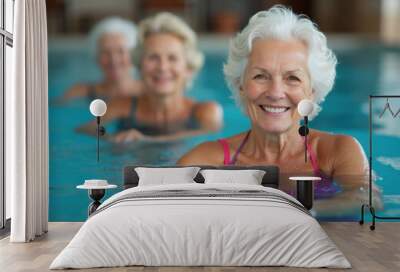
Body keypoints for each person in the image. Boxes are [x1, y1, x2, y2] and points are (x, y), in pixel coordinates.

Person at [177, 5, 381, 216]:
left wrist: (295, 213)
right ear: (241, 85)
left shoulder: (336, 152)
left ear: (311, 91)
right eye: (260, 76)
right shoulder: (207, 160)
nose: (275, 92)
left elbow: (365, 199)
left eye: (292, 78)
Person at [111, 12, 223, 143]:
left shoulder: (205, 112)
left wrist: (147, 140)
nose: (163, 67)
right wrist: (112, 140)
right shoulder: (121, 108)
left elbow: (211, 138)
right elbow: (88, 135)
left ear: (189, 69)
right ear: (139, 65)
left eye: (172, 58)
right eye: (153, 57)